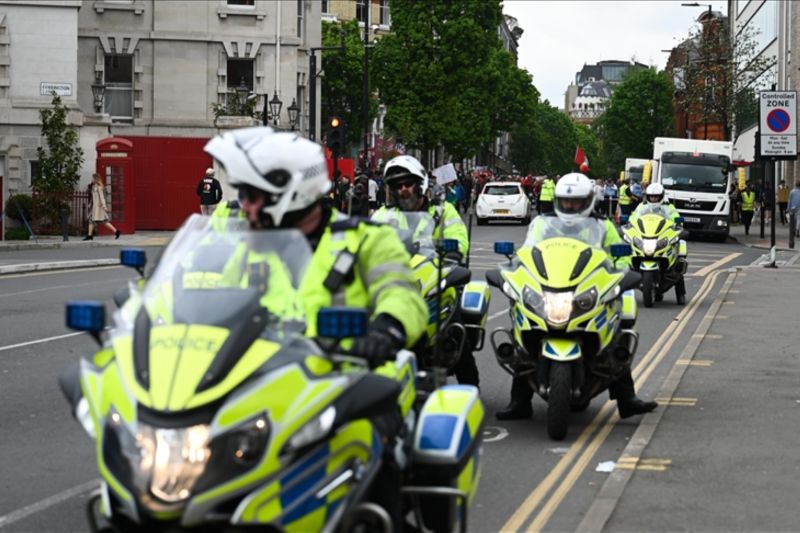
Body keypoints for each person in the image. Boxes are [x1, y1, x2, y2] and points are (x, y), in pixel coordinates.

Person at [204, 127, 426, 367]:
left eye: (252, 196)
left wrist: (387, 331)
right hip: (266, 378)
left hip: (347, 380)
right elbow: (222, 305)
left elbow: (402, 293)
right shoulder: (252, 252)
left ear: (290, 193)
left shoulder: (368, 240)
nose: (244, 207)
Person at [496, 172, 658, 421]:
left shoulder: (603, 226)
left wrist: (621, 273)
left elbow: (622, 259)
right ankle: (519, 401)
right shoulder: (542, 224)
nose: (571, 206)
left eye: (577, 202)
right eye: (566, 201)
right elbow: (526, 253)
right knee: (522, 330)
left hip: (586, 288)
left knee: (616, 332)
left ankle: (626, 399)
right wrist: (515, 273)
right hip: (550, 286)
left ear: (589, 201)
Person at [371, 155, 477, 386]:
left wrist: (453, 252)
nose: (404, 190)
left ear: (420, 185)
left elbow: (458, 236)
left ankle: (471, 386)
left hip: (434, 281)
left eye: (408, 184)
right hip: (393, 286)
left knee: (455, 331)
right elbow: (366, 243)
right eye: (398, 186)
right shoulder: (382, 215)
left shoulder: (442, 211)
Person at [83, 173, 120, 240]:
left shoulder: (99, 187)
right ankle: (89, 235)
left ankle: (116, 231)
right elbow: (93, 197)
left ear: (95, 179)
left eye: (92, 178)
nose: (91, 179)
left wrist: (104, 206)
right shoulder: (93, 186)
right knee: (91, 220)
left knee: (104, 221)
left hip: (98, 208)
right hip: (94, 208)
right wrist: (90, 204)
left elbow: (102, 197)